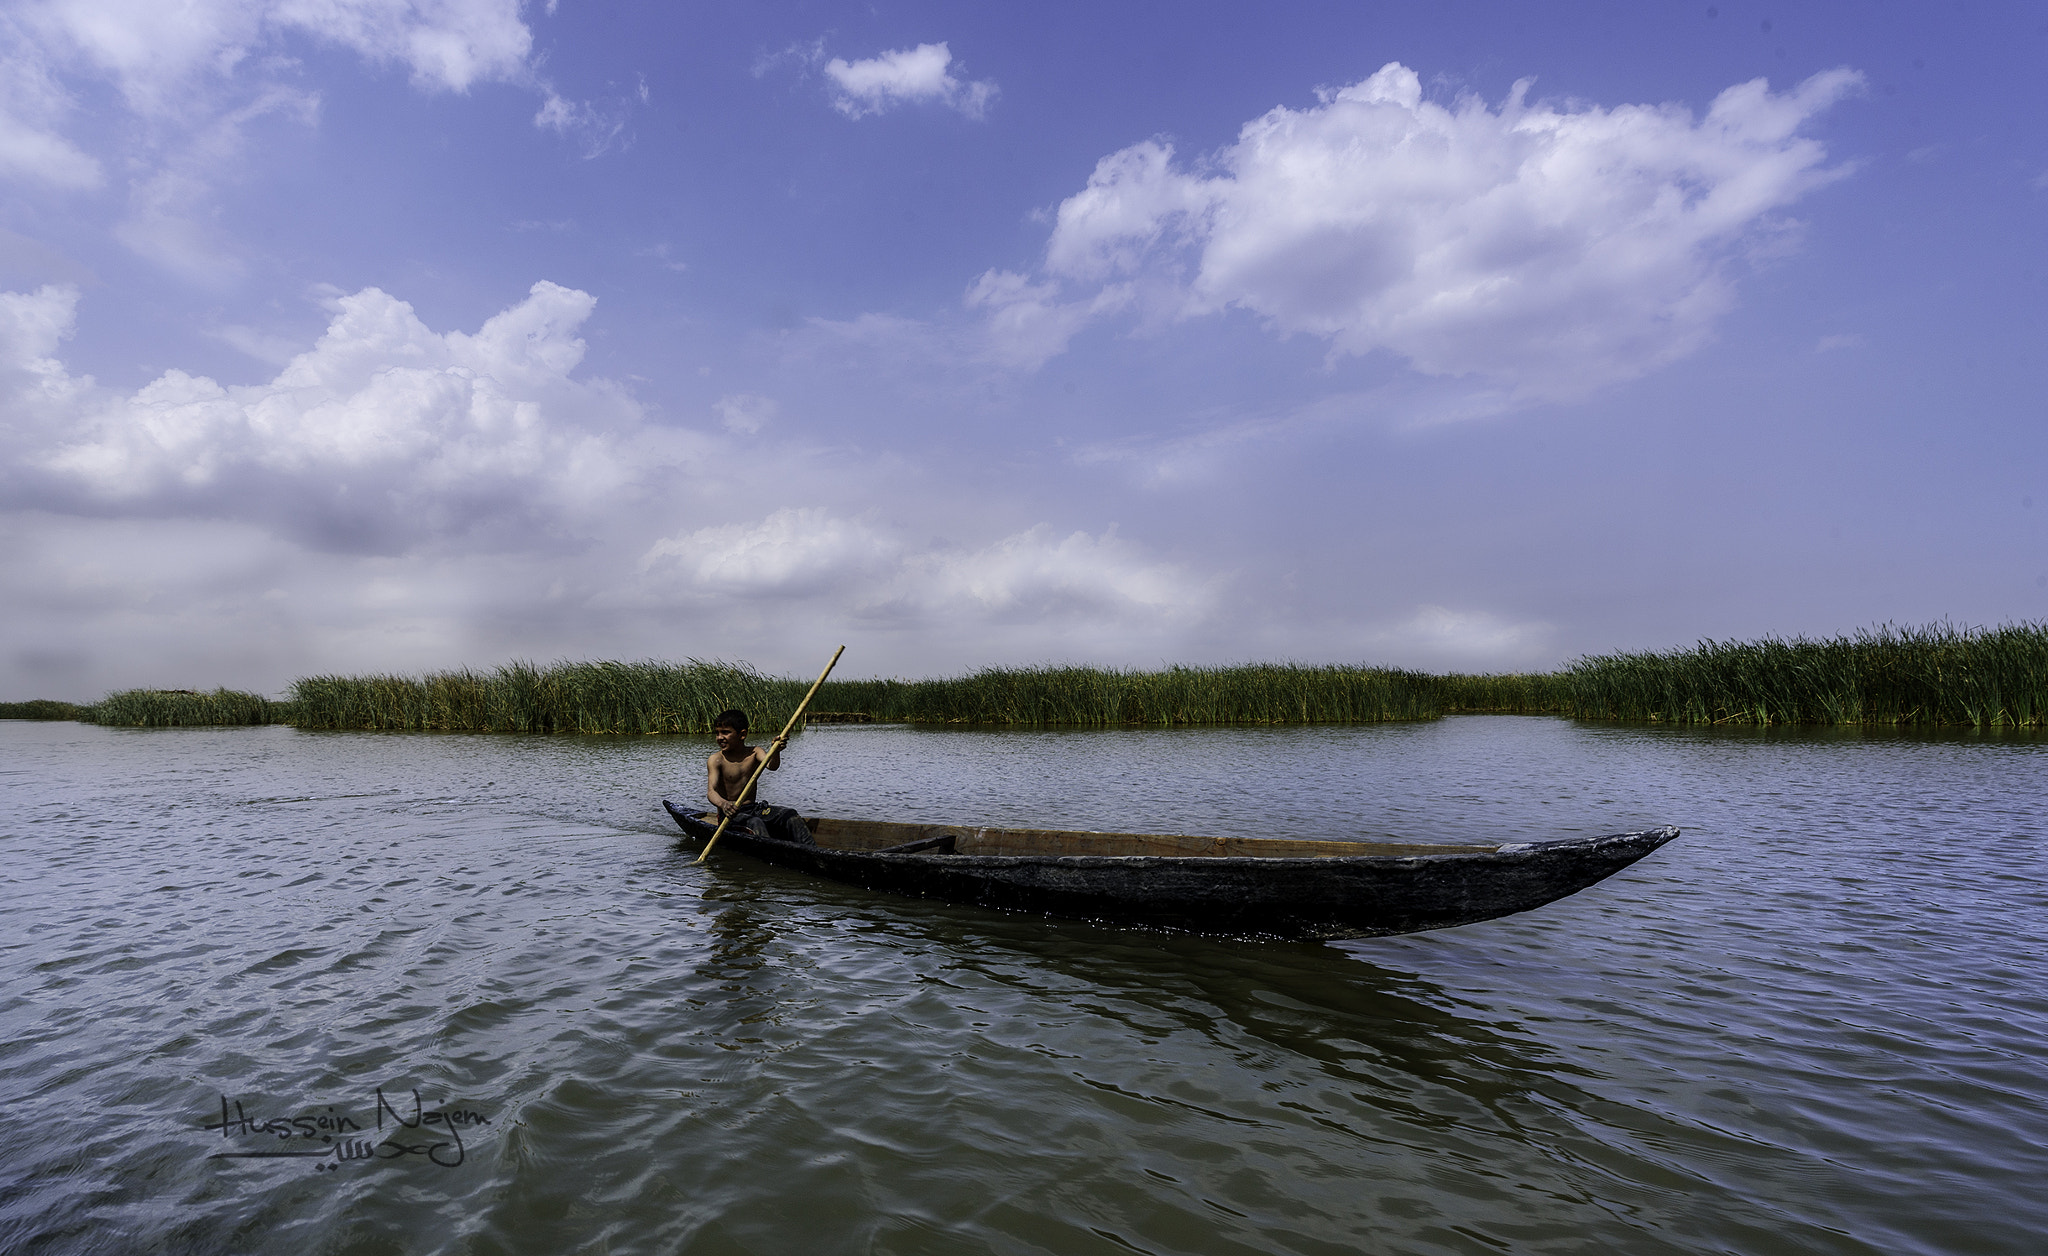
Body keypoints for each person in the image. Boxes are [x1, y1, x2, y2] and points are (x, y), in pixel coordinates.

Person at [704, 708, 781, 820]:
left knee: (789, 815)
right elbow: (711, 792)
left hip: (752, 810)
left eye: (725, 732)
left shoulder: (755, 753)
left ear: (742, 734)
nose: (720, 738)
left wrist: (776, 751)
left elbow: (772, 766)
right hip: (729, 814)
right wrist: (724, 804)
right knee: (755, 823)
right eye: (717, 733)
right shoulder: (716, 760)